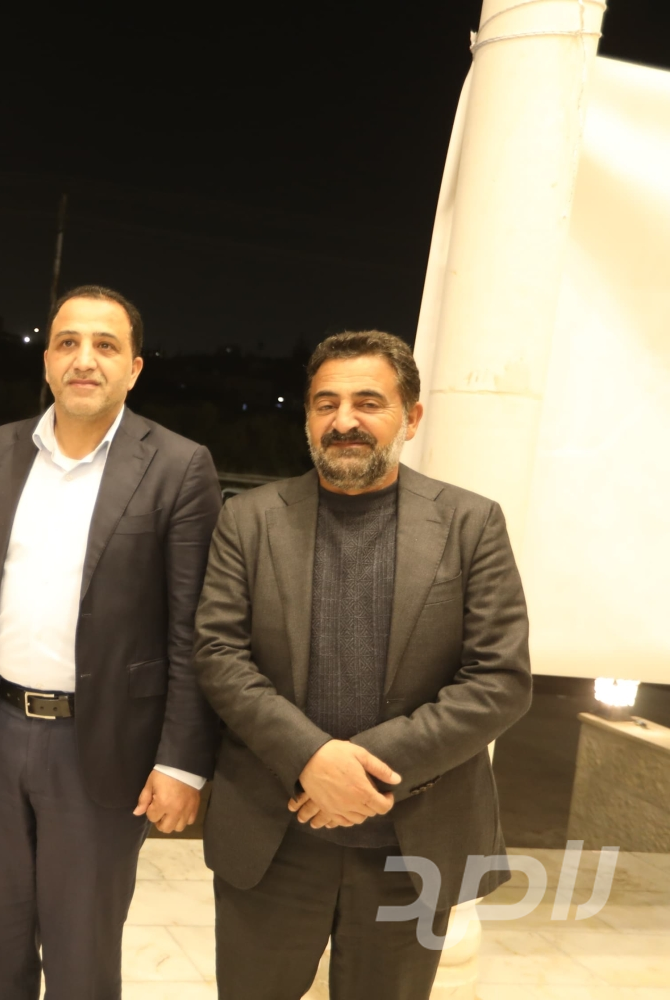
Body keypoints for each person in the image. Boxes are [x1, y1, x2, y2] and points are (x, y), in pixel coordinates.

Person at [194, 330, 532, 999]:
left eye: (368, 403)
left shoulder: (471, 524)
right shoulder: (248, 520)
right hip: (273, 836)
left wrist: (357, 772)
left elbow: (500, 681)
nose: (343, 420)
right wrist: (312, 759)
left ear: (411, 416)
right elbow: (218, 655)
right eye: (326, 403)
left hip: (413, 847)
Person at [0, 285, 223, 998]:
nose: (84, 359)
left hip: (106, 743)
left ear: (134, 368)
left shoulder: (180, 466)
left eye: (105, 345)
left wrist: (182, 763)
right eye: (67, 342)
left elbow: (195, 628)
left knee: (80, 954)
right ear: (47, 360)